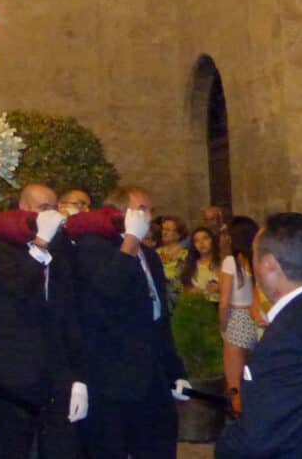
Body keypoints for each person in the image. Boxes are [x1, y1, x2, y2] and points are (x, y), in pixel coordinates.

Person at [74, 186, 190, 459]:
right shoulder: (94, 247)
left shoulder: (149, 256)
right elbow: (108, 290)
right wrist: (129, 242)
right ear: (120, 214)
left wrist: (176, 371)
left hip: (152, 372)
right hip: (112, 375)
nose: (150, 217)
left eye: (150, 210)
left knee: (159, 445)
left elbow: (159, 318)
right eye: (142, 210)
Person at [216, 213, 302, 458]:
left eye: (254, 255)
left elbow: (257, 439)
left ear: (269, 264)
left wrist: (224, 445)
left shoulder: (287, 340)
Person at [0, 183, 87, 458]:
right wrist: (39, 244)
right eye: (43, 208)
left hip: (56, 368)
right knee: (14, 448)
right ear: (24, 209)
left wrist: (78, 375)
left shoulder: (61, 246)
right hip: (14, 374)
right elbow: (17, 286)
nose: (51, 214)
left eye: (54, 207)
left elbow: (70, 309)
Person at [218, 216, 263, 414]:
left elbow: (225, 301)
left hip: (236, 317)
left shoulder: (230, 262)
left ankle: (239, 417)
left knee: (234, 380)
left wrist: (222, 325)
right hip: (254, 319)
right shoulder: (257, 260)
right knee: (254, 376)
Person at [156, 216, 189, 311]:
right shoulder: (155, 253)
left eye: (168, 230)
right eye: (163, 229)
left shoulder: (186, 255)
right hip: (161, 302)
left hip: (180, 302)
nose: (164, 232)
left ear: (179, 234)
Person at [180, 226, 221, 302]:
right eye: (196, 240)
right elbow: (185, 288)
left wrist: (220, 288)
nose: (201, 243)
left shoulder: (223, 263)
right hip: (199, 307)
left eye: (205, 238)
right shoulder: (191, 265)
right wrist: (192, 291)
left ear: (212, 240)